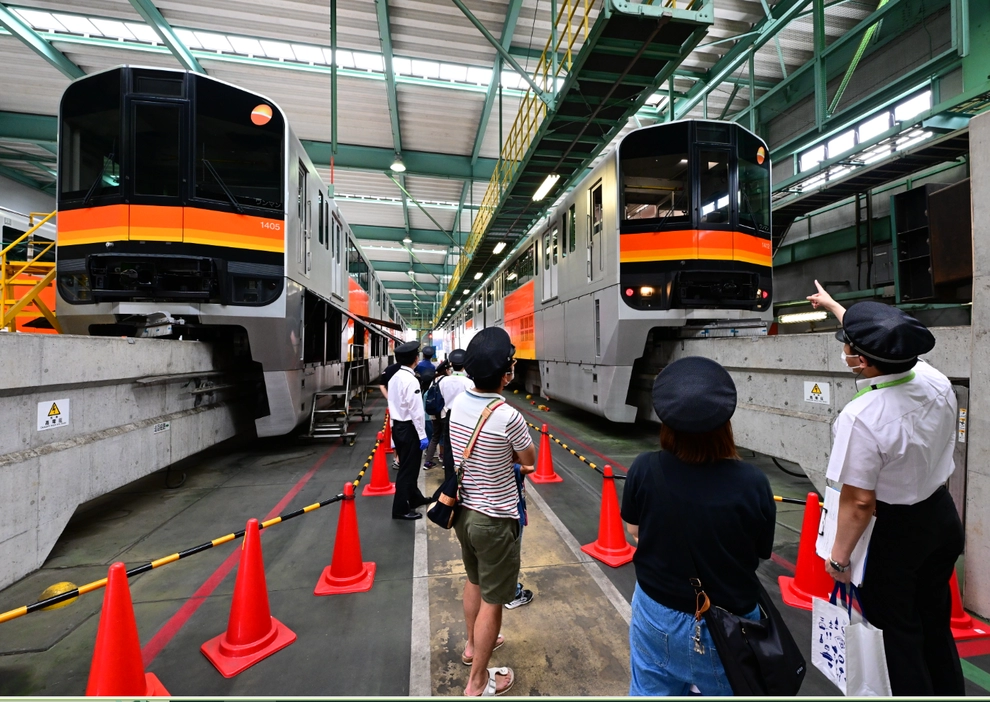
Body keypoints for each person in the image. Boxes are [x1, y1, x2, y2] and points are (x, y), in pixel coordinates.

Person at [808, 281, 965, 696]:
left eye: (849, 348)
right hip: (941, 519)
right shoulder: (934, 379)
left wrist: (839, 560)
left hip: (896, 536)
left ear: (861, 362)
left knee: (897, 632)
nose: (845, 352)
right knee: (934, 620)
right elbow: (885, 342)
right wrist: (833, 307)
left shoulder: (862, 416)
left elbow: (860, 502)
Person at [620, 356, 775, 696]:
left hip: (655, 612)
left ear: (667, 422)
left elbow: (634, 533)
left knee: (650, 689)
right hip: (729, 623)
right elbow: (761, 551)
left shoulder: (645, 469)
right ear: (725, 422)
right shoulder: (753, 482)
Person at [447, 328, 536, 696]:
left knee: (474, 580)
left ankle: (471, 648)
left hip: (463, 514)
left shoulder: (456, 405)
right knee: (494, 599)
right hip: (496, 520)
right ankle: (479, 681)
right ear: (505, 374)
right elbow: (528, 462)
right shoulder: (507, 416)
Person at [387, 341, 431, 520]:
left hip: (398, 426)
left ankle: (414, 498)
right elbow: (416, 411)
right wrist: (422, 435)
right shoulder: (411, 380)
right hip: (409, 428)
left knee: (409, 466)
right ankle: (399, 509)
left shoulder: (394, 377)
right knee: (408, 470)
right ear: (415, 359)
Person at [439, 349, 473, 481]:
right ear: (465, 365)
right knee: (464, 448)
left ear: (451, 364)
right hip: (465, 418)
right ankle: (463, 478)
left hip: (448, 417)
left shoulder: (443, 381)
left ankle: (449, 479)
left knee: (448, 449)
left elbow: (441, 399)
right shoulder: (469, 383)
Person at [505, 463, 535, 611]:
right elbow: (529, 465)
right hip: (509, 514)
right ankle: (512, 595)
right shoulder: (510, 464)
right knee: (511, 556)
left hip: (479, 511)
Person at [423, 359, 451, 469]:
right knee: (445, 437)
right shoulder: (446, 381)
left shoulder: (433, 381)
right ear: (446, 370)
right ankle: (444, 461)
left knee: (435, 437)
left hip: (434, 414)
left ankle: (427, 462)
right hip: (443, 413)